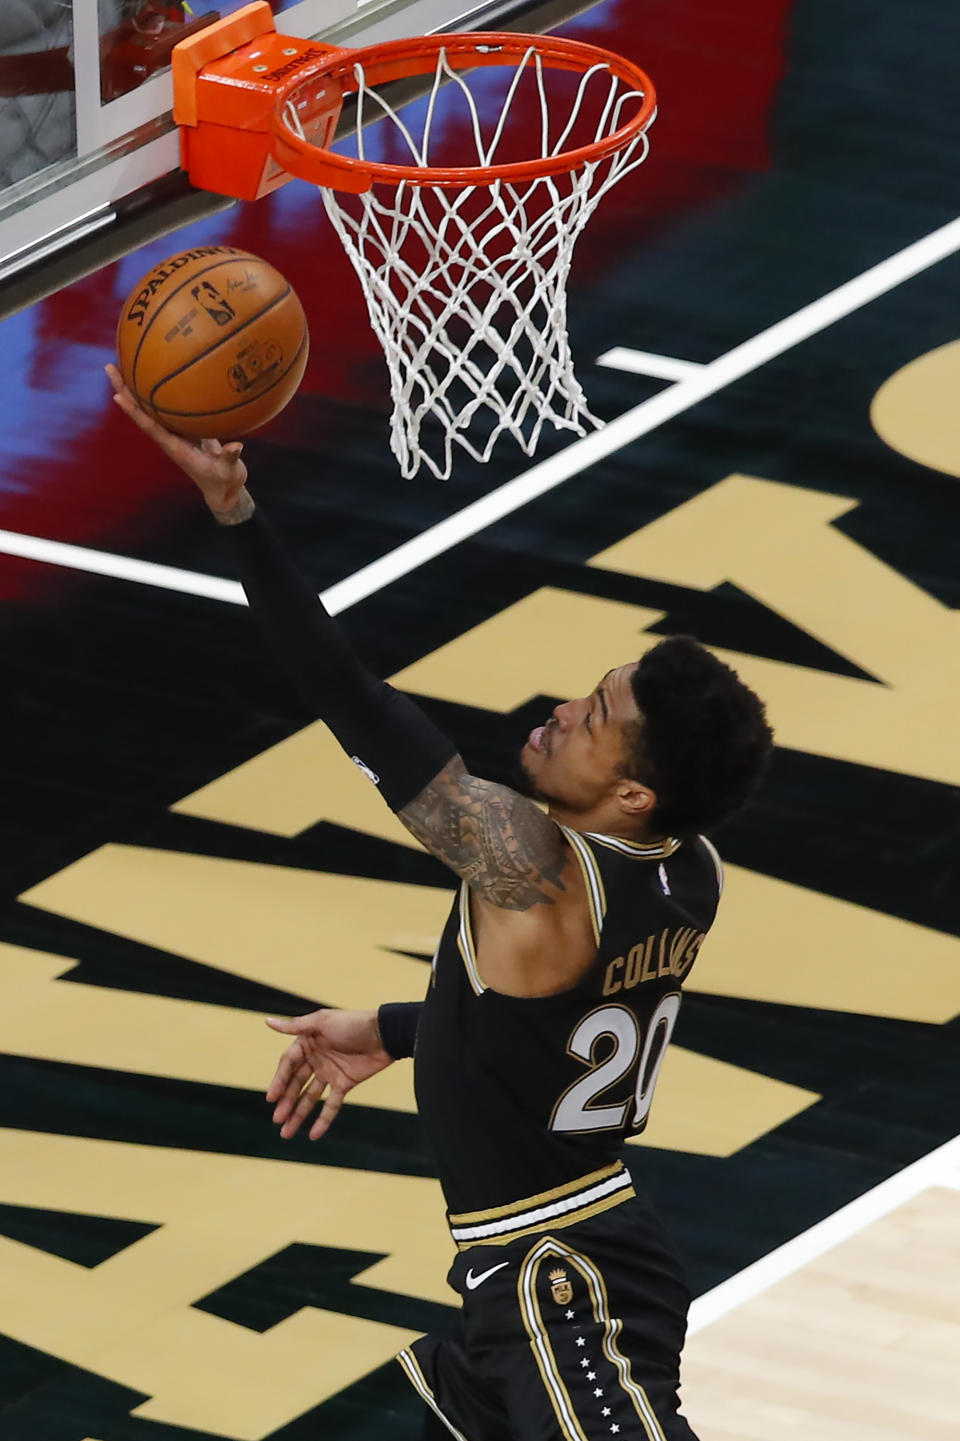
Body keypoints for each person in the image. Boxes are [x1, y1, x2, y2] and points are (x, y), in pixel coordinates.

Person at [107, 363, 774, 1441]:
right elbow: (547, 1032)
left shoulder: (533, 866)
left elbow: (355, 704)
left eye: (593, 716)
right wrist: (396, 1029)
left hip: (563, 1274)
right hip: (558, 1247)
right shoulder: (684, 864)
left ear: (633, 790)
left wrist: (237, 515)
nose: (560, 710)